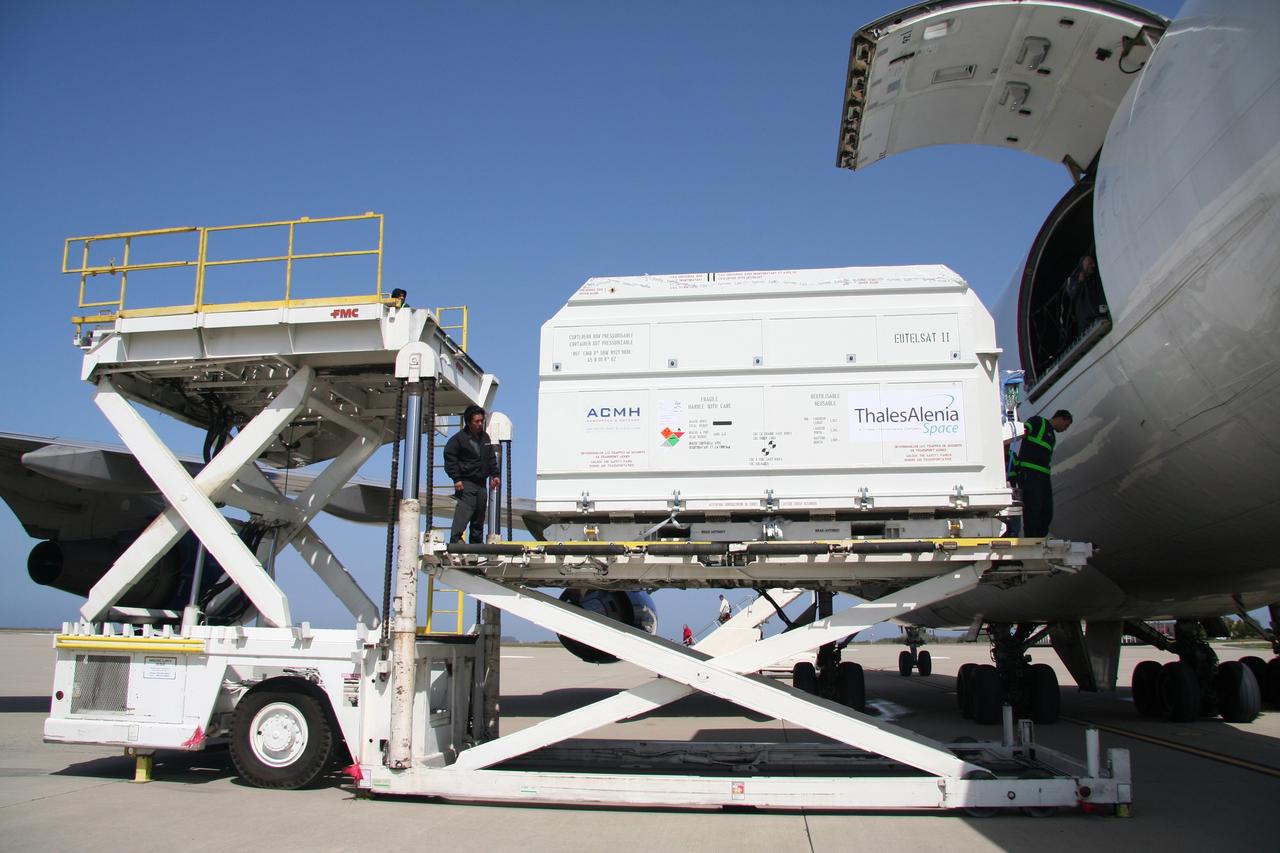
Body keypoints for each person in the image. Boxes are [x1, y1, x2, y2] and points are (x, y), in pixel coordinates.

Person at [1010, 409, 1072, 537]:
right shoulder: (1038, 422)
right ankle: (1032, 538)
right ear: (1060, 418)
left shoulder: (1052, 436)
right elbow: (1024, 430)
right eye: (1066, 425)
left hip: (1043, 476)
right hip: (1030, 474)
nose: (1065, 429)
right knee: (1033, 507)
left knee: (1046, 510)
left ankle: (1040, 536)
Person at [443, 404, 500, 543]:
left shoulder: (485, 437)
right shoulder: (458, 439)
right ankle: (456, 539)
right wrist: (456, 479)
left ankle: (476, 544)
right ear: (469, 422)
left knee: (479, 515)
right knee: (465, 510)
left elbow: (491, 457)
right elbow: (450, 459)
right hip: (466, 482)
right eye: (477, 421)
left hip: (481, 483)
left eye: (482, 421)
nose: (480, 424)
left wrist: (495, 475)